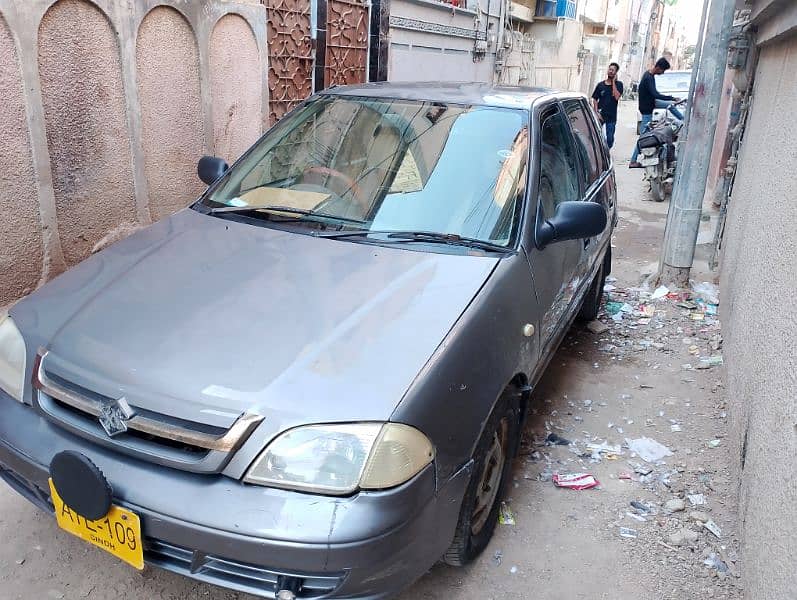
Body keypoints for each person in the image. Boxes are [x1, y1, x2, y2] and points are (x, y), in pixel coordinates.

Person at [629, 57, 685, 168]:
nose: (663, 73)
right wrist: (671, 97)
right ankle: (633, 160)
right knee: (644, 136)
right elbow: (655, 94)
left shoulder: (650, 75)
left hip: (651, 103)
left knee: (670, 105)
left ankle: (683, 120)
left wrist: (671, 100)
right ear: (659, 68)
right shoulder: (648, 78)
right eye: (663, 71)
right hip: (647, 108)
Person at [591, 62, 624, 149]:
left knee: (610, 139)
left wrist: (613, 82)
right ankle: (599, 151)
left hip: (611, 116)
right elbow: (594, 99)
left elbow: (616, 97)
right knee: (595, 136)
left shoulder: (619, 85)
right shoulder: (600, 85)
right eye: (610, 69)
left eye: (613, 70)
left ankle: (606, 151)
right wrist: (596, 112)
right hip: (600, 115)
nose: (611, 71)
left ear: (616, 73)